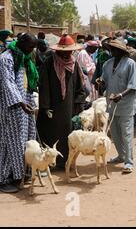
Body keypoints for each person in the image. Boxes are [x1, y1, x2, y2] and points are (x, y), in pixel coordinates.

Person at [37, 35, 87, 170]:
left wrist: (79, 102)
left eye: (69, 51)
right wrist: (46, 106)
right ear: (58, 50)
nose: (67, 54)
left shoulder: (74, 63)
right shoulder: (49, 62)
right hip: (53, 106)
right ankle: (50, 163)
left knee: (67, 134)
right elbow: (44, 85)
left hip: (69, 107)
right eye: (64, 51)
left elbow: (80, 86)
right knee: (50, 133)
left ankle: (64, 161)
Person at [0, 34, 38, 193]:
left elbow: (27, 82)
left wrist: (29, 101)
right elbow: (7, 82)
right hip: (11, 107)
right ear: (21, 44)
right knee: (9, 142)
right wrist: (20, 102)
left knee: (26, 141)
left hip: (24, 105)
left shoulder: (23, 57)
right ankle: (4, 179)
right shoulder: (6, 59)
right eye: (30, 47)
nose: (32, 50)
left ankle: (21, 173)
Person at [98, 40, 136, 174]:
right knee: (115, 134)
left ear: (121, 51)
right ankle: (121, 156)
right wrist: (101, 83)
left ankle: (129, 162)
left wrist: (121, 95)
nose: (112, 51)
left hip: (126, 105)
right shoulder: (107, 64)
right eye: (111, 49)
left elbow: (133, 86)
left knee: (126, 134)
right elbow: (104, 80)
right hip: (111, 104)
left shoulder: (130, 64)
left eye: (115, 49)